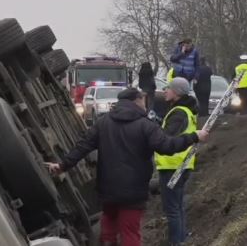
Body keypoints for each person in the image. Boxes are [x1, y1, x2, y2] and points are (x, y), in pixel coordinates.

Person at [46, 87, 209, 246]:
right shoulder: (146, 125)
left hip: (107, 188)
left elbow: (82, 147)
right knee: (130, 232)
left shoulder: (103, 123)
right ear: (137, 101)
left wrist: (62, 166)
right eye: (143, 100)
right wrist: (193, 136)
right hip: (133, 191)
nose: (145, 104)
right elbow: (167, 146)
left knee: (108, 225)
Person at [155, 77, 200, 246]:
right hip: (182, 164)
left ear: (177, 92)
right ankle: (181, 238)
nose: (165, 91)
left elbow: (166, 138)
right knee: (178, 206)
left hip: (172, 165)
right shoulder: (186, 110)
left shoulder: (179, 112)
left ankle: (176, 242)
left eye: (168, 88)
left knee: (172, 208)